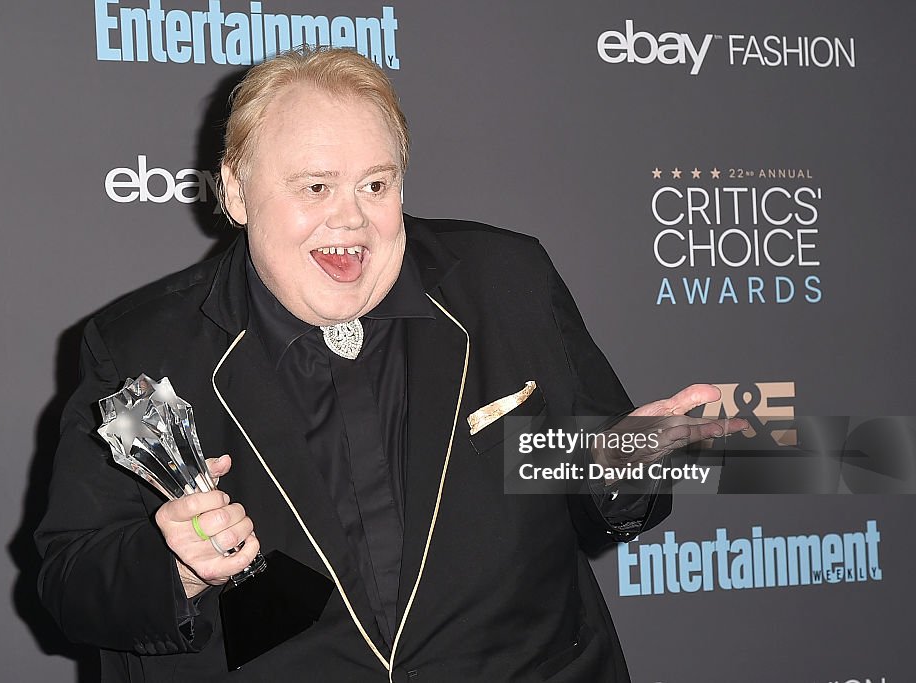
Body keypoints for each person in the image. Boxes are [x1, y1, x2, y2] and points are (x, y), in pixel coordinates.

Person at [36, 46, 743, 682]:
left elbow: (596, 483)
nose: (351, 218)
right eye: (315, 187)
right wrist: (175, 567)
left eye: (376, 185)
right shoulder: (139, 347)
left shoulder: (505, 281)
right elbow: (69, 579)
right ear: (236, 192)